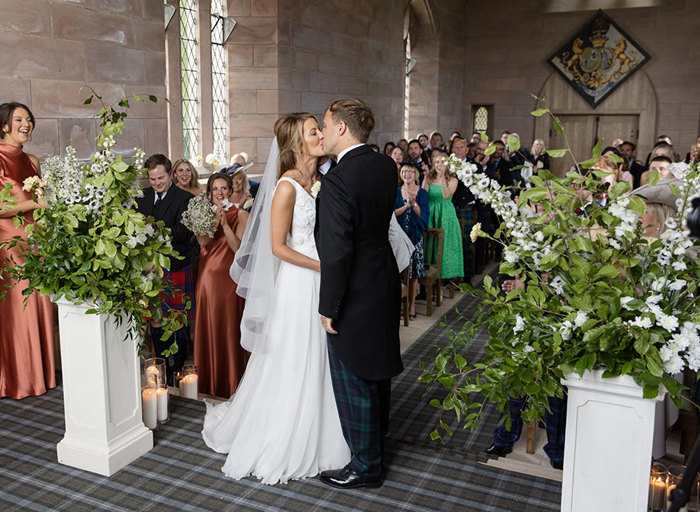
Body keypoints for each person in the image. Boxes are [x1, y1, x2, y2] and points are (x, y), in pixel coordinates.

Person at [202, 113, 350, 485]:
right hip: (301, 281)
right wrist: (322, 266)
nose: (320, 135)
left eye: (319, 129)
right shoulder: (286, 187)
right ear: (298, 144)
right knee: (296, 355)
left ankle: (326, 428)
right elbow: (278, 247)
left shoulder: (321, 179)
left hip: (321, 277)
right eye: (313, 131)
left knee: (322, 355)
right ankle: (286, 435)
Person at [316, 98, 403, 489]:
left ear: (341, 128)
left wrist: (329, 306)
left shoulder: (338, 180)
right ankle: (376, 444)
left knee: (353, 374)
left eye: (325, 123)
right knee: (377, 369)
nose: (322, 130)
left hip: (353, 287)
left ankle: (365, 467)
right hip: (383, 277)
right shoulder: (385, 165)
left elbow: (336, 250)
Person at [0, 101, 55, 399]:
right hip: (9, 242)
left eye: (29, 119)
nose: (26, 124)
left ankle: (42, 374)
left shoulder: (32, 160)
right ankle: (19, 378)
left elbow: (44, 201)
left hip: (37, 239)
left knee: (41, 299)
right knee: (20, 305)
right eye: (19, 119)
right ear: (5, 125)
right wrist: (35, 204)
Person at [135, 154, 196, 385]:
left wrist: (155, 229)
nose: (157, 183)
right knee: (155, 319)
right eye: (152, 179)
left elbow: (184, 233)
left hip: (175, 264)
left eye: (161, 177)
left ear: (170, 174)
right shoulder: (142, 196)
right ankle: (161, 367)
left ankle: (177, 370)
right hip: (149, 268)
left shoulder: (185, 198)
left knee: (177, 319)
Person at [194, 173, 249, 398]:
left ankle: (233, 384)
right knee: (208, 327)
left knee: (230, 328)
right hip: (207, 281)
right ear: (209, 194)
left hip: (230, 280)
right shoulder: (202, 214)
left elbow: (238, 248)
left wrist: (226, 225)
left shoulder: (242, 215)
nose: (219, 192)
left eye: (224, 188)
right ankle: (208, 384)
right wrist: (216, 220)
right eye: (215, 189)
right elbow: (203, 241)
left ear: (230, 190)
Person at [423, 149, 464, 283]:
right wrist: (425, 176)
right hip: (431, 212)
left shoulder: (453, 180)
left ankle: (445, 279)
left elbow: (446, 195)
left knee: (445, 246)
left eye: (442, 162)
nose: (439, 164)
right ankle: (430, 277)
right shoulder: (429, 177)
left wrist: (441, 179)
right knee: (430, 244)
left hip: (445, 214)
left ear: (447, 164)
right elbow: (423, 194)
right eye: (436, 162)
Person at [394, 164, 429, 319]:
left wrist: (414, 204)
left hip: (415, 237)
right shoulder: (396, 192)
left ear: (416, 175)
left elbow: (424, 217)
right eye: (404, 171)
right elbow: (391, 214)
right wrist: (405, 206)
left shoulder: (422, 193)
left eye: (410, 171)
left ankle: (412, 306)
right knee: (399, 273)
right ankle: (399, 305)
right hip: (398, 237)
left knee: (414, 274)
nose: (407, 174)